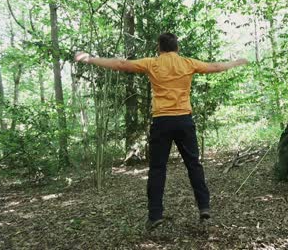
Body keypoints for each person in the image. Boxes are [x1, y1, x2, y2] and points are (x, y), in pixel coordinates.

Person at [74, 33, 248, 230]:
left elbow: (121, 64)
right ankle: (204, 207)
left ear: (159, 47)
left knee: (158, 169)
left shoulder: (152, 63)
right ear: (177, 48)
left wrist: (89, 58)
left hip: (162, 121)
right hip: (184, 120)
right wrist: (237, 62)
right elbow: (215, 67)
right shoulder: (187, 63)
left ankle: (155, 215)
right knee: (194, 165)